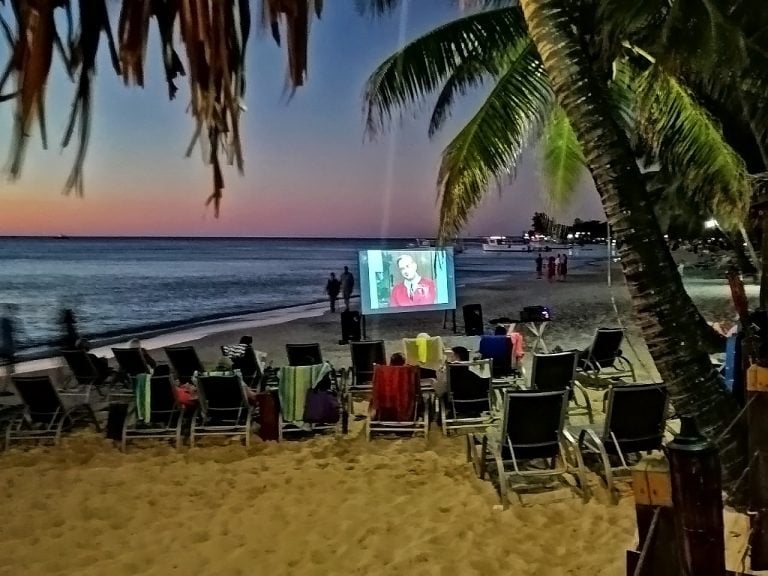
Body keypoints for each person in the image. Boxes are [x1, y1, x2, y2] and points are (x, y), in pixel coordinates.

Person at [0, 304, 17, 381]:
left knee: (8, 369)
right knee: (10, 370)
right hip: (9, 349)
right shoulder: (9, 322)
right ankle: (4, 389)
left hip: (3, 348)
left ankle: (4, 388)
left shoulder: (3, 321)